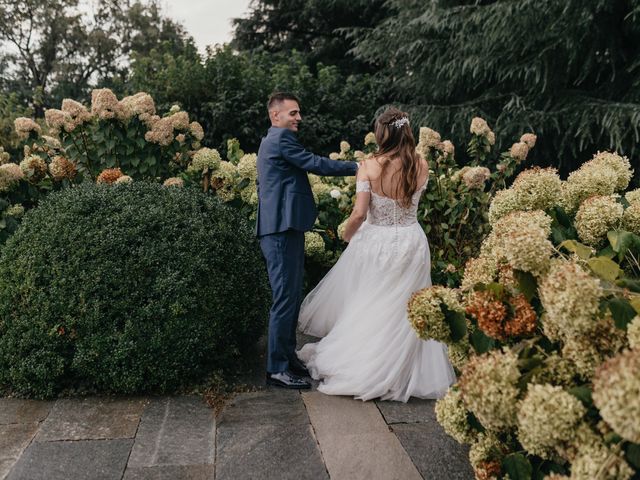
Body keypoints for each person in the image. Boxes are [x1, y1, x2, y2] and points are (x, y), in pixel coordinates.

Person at [297, 107, 456, 402]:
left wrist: (346, 236)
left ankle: (365, 364)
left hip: (377, 242)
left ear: (382, 133)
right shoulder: (421, 165)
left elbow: (359, 214)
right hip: (411, 241)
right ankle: (408, 371)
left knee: (371, 300)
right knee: (406, 308)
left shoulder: (369, 165)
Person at [256, 92, 358, 389]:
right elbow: (315, 163)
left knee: (290, 296)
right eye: (293, 113)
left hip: (284, 228)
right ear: (276, 116)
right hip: (280, 230)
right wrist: (356, 167)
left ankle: (287, 359)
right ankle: (276, 368)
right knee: (285, 299)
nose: (298, 118)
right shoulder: (280, 139)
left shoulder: (271, 141)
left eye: (298, 113)